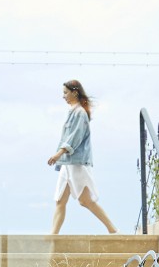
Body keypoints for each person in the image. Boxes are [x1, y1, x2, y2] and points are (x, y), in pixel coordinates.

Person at [48, 78, 117, 234]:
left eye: (65, 93)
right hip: (67, 163)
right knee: (60, 200)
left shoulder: (80, 113)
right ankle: (53, 236)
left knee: (85, 200)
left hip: (77, 163)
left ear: (75, 92)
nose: (63, 96)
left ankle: (113, 230)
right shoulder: (73, 112)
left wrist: (59, 153)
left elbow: (75, 137)